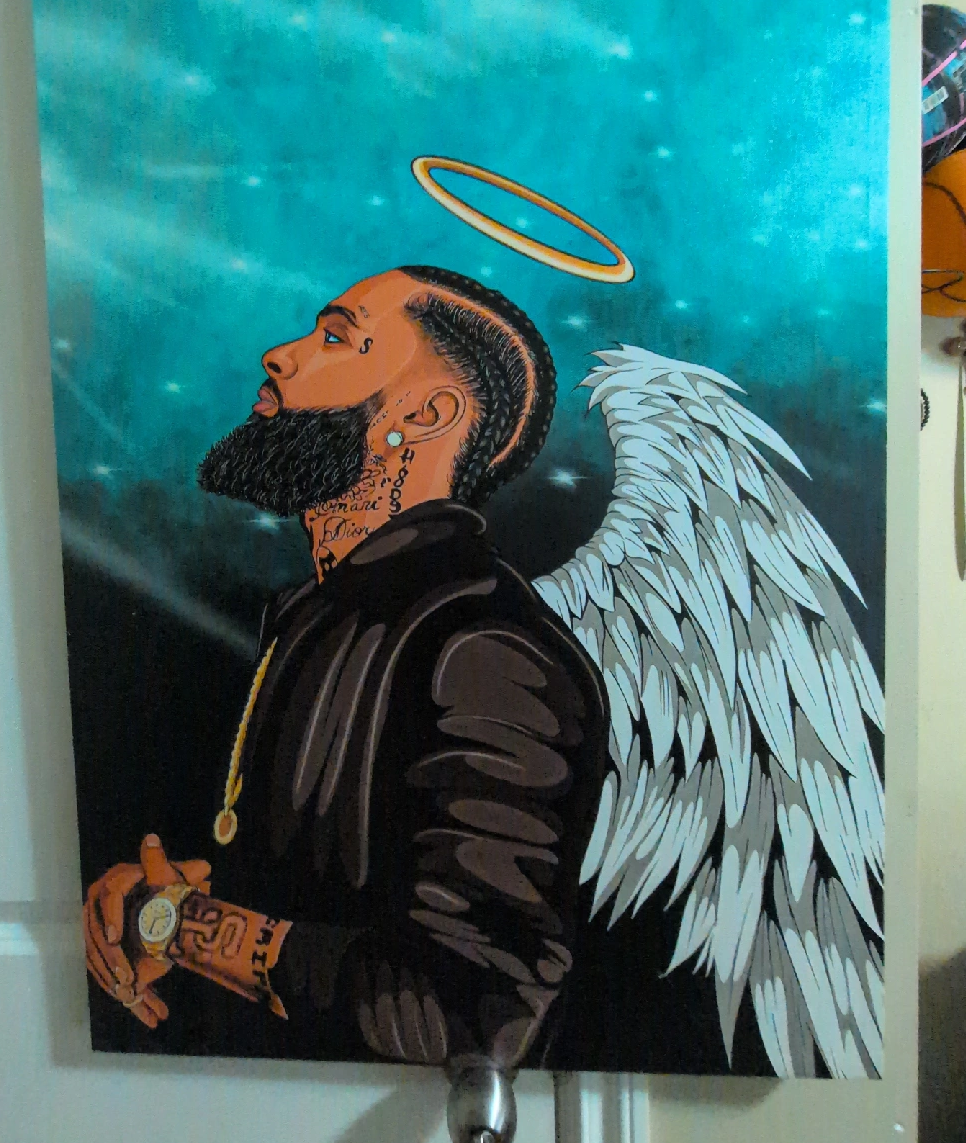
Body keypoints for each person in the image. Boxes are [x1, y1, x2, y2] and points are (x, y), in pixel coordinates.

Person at [82, 265, 608, 1070]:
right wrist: (176, 910)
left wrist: (177, 926)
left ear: (426, 415)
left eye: (336, 338)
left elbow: (472, 1009)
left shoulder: (488, 649)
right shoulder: (314, 615)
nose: (279, 355)